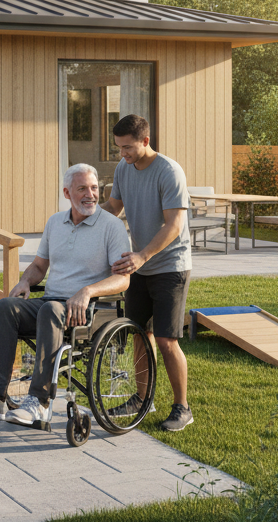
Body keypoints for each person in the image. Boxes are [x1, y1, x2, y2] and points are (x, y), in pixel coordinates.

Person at [0, 164, 131, 427]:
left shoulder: (112, 227)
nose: (90, 194)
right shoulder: (54, 223)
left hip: (89, 309)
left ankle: (38, 402)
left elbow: (123, 279)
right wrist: (25, 281)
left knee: (50, 310)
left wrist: (87, 291)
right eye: (82, 188)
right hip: (52, 303)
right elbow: (39, 266)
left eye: (95, 188)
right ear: (66, 192)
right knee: (7, 306)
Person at [101, 114, 194, 432]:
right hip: (138, 265)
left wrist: (142, 255)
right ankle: (142, 399)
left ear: (145, 140)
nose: (122, 154)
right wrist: (81, 215)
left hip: (170, 266)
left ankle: (182, 407)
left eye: (127, 147)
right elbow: (114, 206)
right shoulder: (123, 168)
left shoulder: (169, 171)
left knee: (167, 340)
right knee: (139, 333)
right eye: (118, 148)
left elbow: (174, 225)